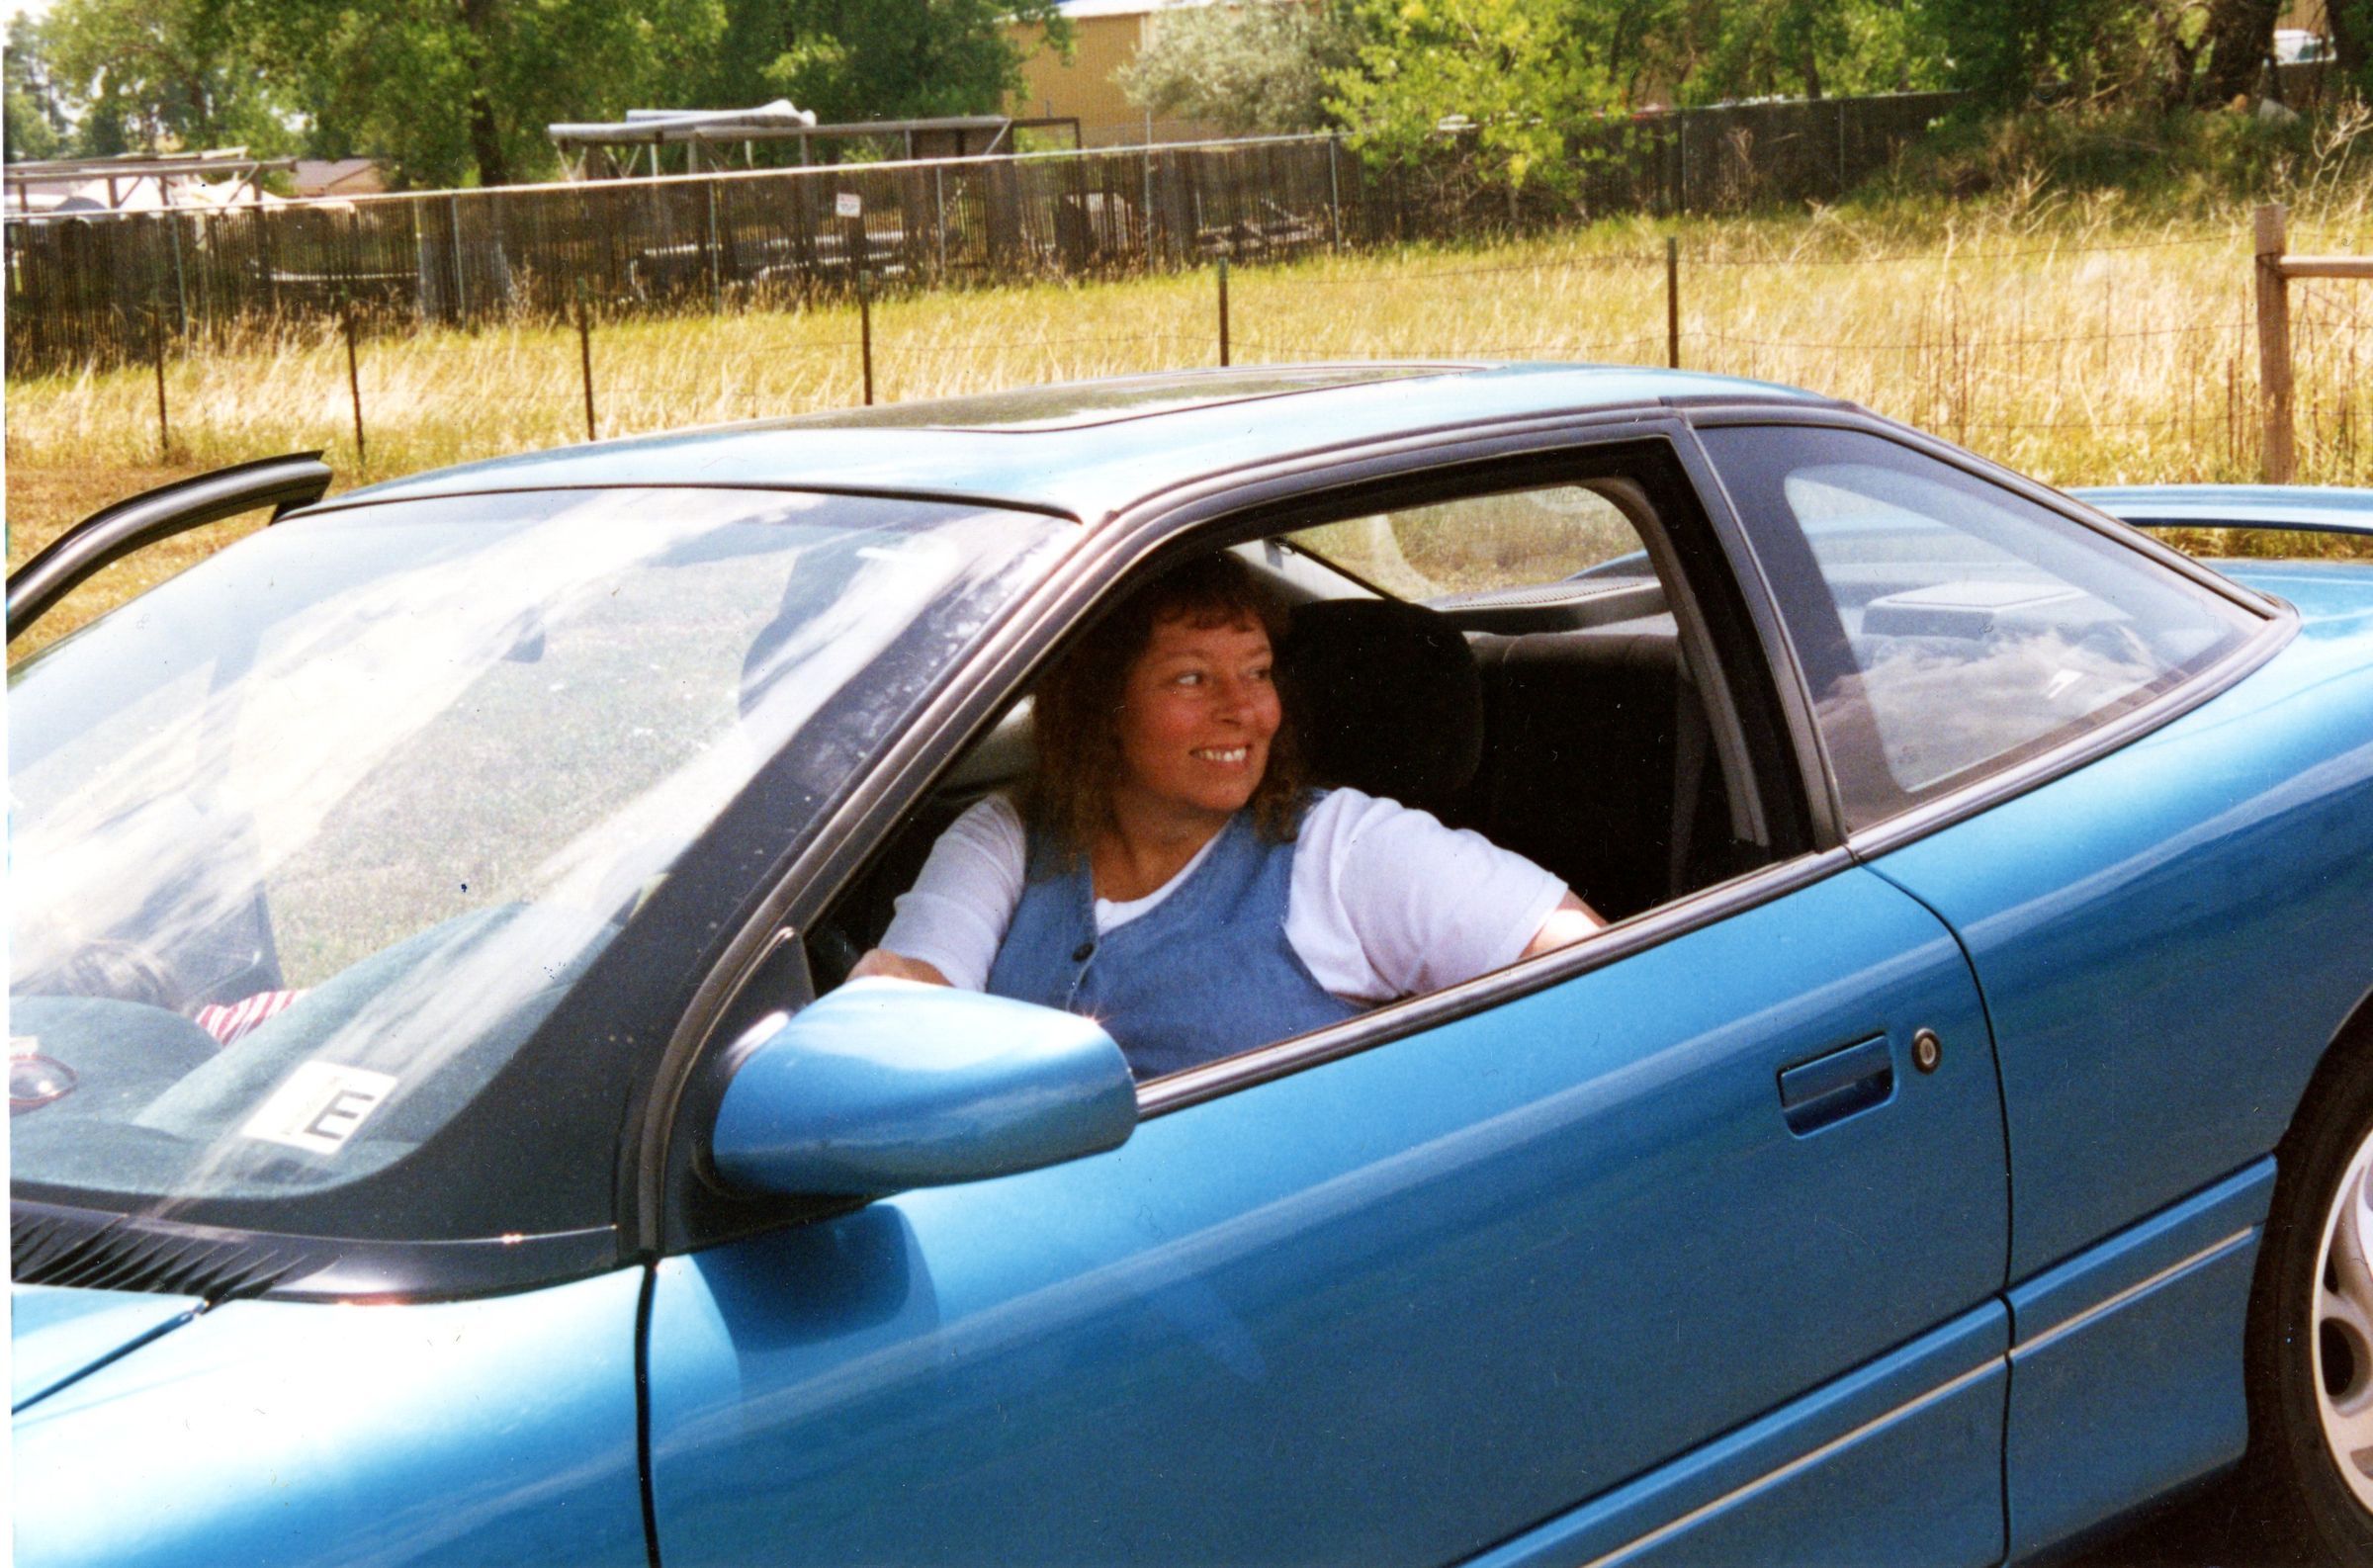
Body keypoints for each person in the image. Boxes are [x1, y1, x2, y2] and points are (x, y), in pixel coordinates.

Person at [850, 554, 1601, 1078]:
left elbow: (1591, 966)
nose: (1244, 710)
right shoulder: (1008, 835)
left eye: (1257, 672)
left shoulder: (1343, 848)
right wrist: (891, 993)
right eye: (1191, 678)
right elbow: (921, 990)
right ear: (1101, 706)